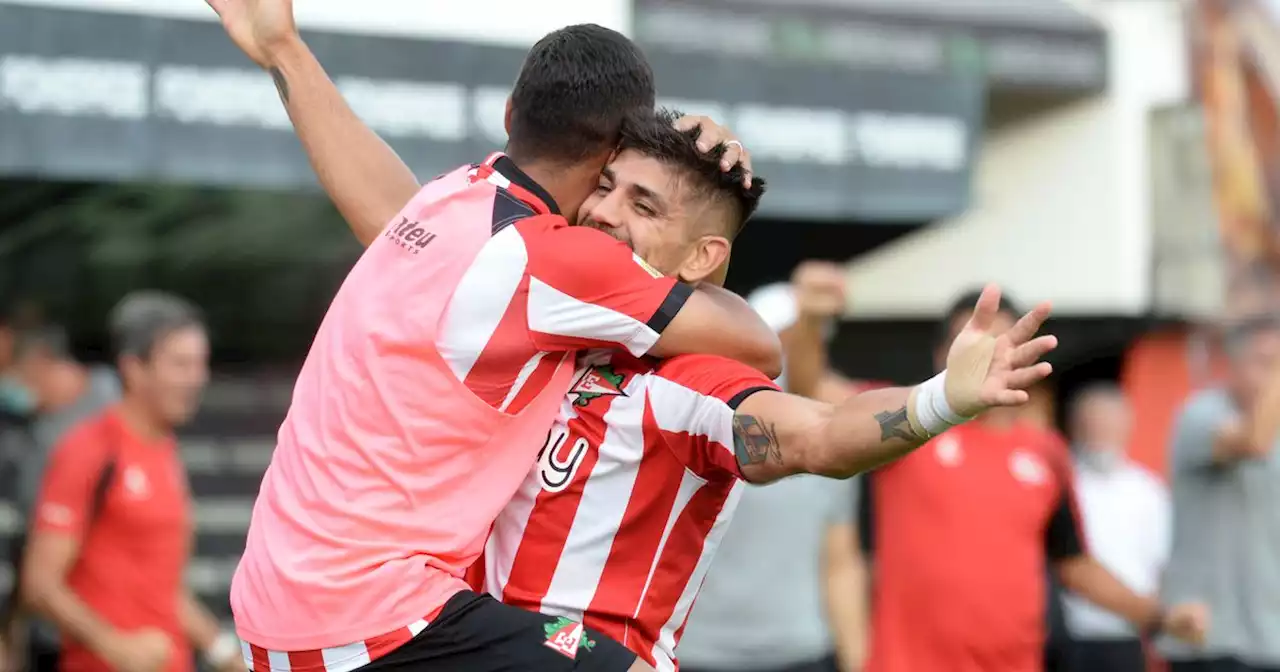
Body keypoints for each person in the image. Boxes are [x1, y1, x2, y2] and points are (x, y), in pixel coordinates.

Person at [206, 2, 781, 671]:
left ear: (511, 114)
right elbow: (755, 342)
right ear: (614, 153)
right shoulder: (560, 264)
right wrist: (710, 198)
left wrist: (285, 52)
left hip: (276, 607)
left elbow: (376, 193)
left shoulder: (451, 201)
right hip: (375, 620)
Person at [856, 290, 1208, 672]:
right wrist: (810, 321)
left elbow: (1074, 564)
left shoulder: (1046, 452)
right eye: (974, 346)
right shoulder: (907, 427)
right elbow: (822, 412)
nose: (989, 358)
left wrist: (1159, 617)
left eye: (1002, 345)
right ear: (943, 355)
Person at [20, 292, 242, 672]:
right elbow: (40, 585)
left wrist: (226, 654)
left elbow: (166, 590)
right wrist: (113, 645)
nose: (196, 379)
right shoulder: (89, 448)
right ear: (133, 368)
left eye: (200, 364)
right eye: (181, 365)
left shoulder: (165, 450)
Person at [676, 276, 867, 672]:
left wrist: (857, 660)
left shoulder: (834, 437)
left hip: (800, 654)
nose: (785, 355)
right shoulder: (700, 417)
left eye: (798, 341)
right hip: (695, 654)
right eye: (777, 338)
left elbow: (840, 563)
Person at [1160, 314, 1280, 672]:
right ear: (1232, 365)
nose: (1272, 374)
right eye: (1265, 363)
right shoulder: (1201, 414)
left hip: (1270, 638)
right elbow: (1253, 442)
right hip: (1208, 636)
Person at [0, 325, 120, 672]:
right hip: (56, 626)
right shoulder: (35, 439)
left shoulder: (115, 401)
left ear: (39, 364)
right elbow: (29, 543)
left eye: (15, 376)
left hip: (111, 605)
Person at [1063, 384, 1171, 672]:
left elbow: (1162, 563)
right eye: (1093, 425)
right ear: (1075, 428)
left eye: (1109, 425)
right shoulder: (1063, 484)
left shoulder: (1148, 490)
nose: (1101, 434)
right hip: (1070, 634)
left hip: (1127, 634)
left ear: (1127, 427)